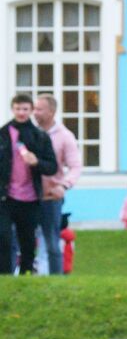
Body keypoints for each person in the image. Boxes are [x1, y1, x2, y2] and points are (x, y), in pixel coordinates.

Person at [0, 94, 59, 275]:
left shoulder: (39, 136)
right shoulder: (3, 134)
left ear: (31, 111)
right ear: (12, 109)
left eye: (25, 109)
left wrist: (36, 162)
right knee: (4, 237)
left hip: (30, 197)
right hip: (6, 196)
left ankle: (26, 274)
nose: (21, 113)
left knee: (27, 241)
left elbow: (52, 166)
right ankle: (5, 277)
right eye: (18, 109)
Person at [33, 93, 82, 276]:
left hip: (50, 197)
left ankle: (55, 281)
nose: (34, 113)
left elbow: (75, 166)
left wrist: (64, 185)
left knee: (51, 242)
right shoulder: (30, 132)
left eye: (39, 109)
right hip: (26, 196)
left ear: (51, 111)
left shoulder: (64, 136)